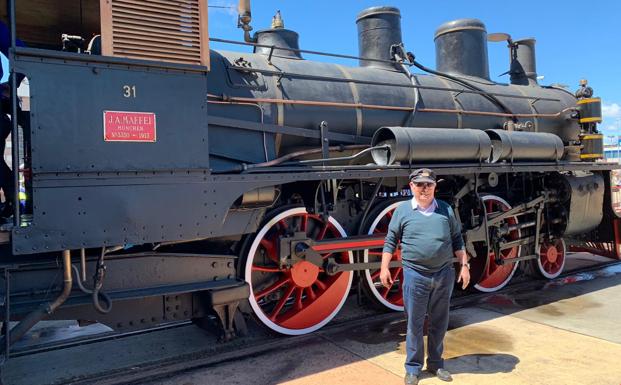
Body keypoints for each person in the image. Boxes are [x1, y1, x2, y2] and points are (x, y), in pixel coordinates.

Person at [381, 168, 470, 385]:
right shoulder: (403, 211)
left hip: (443, 273)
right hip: (415, 275)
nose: (424, 189)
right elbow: (390, 240)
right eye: (420, 184)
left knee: (439, 322)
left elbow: (457, 239)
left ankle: (436, 364)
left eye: (429, 184)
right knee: (414, 323)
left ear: (434, 187)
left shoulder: (445, 209)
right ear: (411, 186)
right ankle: (413, 368)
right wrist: (384, 268)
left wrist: (464, 265)